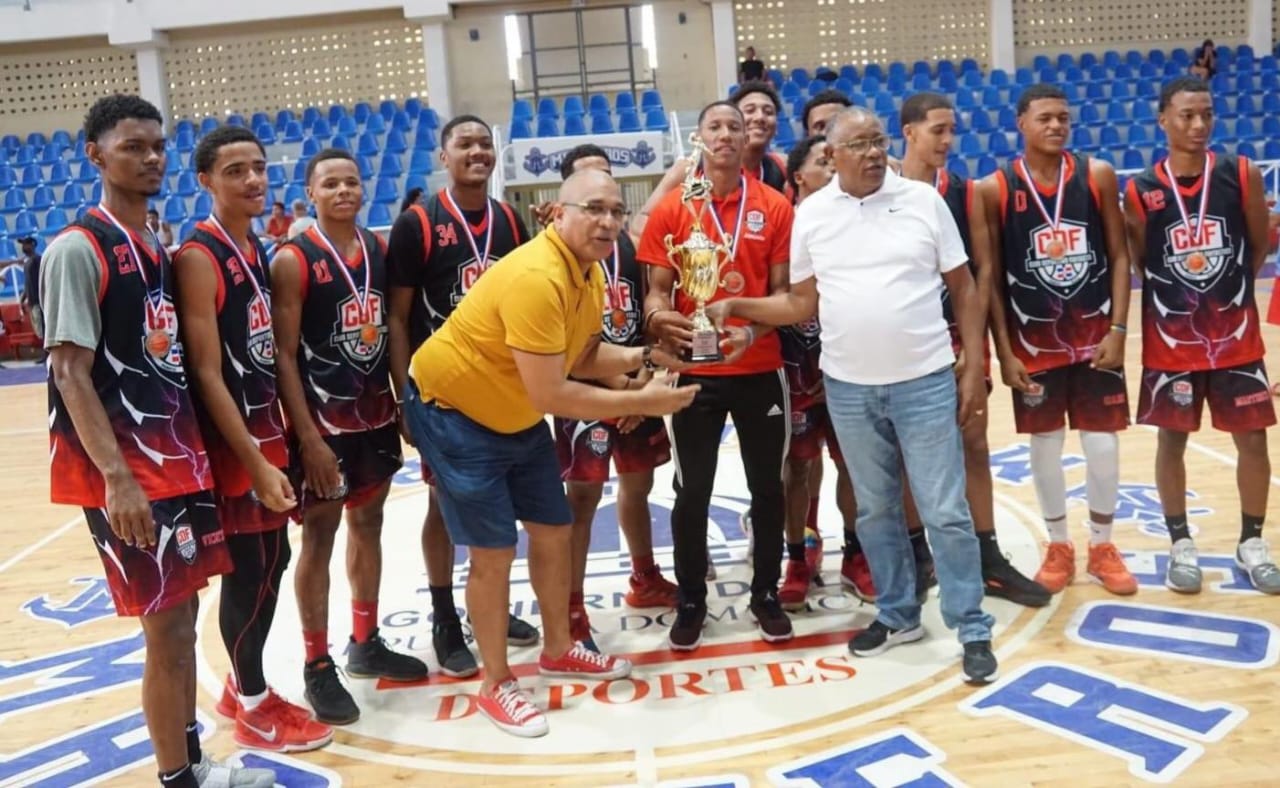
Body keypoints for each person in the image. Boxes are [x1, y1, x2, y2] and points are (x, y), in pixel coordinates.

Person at [708, 107, 999, 684]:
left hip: (925, 379)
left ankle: (971, 625)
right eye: (857, 145)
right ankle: (897, 614)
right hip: (848, 387)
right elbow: (800, 304)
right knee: (876, 509)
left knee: (943, 509)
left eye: (877, 141)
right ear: (831, 155)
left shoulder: (922, 201)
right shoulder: (811, 216)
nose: (871, 153)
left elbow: (963, 289)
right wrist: (740, 308)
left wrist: (971, 369)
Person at [401, 169, 697, 737]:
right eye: (593, 209)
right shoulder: (538, 276)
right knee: (493, 551)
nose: (608, 221)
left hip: (512, 410)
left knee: (554, 529)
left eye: (616, 210)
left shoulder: (584, 271)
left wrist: (643, 358)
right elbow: (551, 392)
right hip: (454, 412)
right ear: (558, 214)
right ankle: (496, 683)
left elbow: (581, 356)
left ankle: (559, 647)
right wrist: (648, 400)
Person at [41, 94, 273, 788]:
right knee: (166, 632)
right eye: (131, 147)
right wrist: (117, 479)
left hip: (176, 464)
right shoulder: (76, 249)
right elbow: (68, 372)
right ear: (95, 156)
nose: (149, 158)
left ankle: (194, 761)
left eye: (157, 146)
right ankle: (178, 778)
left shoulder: (152, 243)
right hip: (132, 475)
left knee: (182, 623)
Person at [175, 125, 334, 752]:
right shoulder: (199, 255)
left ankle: (241, 689)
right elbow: (207, 371)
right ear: (206, 180)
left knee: (273, 563)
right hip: (236, 449)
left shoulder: (257, 248)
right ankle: (252, 702)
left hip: (269, 435)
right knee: (251, 574)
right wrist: (251, 461)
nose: (252, 180)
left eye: (259, 167)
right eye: (235, 169)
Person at [271, 148, 428, 726]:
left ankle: (365, 641)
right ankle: (316, 663)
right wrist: (307, 438)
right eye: (330, 183)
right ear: (310, 193)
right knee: (319, 539)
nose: (344, 190)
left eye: (352, 181)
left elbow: (391, 331)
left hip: (375, 417)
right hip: (324, 427)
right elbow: (283, 356)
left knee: (371, 524)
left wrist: (403, 400)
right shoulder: (294, 259)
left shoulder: (379, 250)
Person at [386, 114, 538, 679]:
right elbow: (398, 319)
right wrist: (405, 397)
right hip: (445, 395)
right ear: (443, 156)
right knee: (440, 508)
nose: (476, 151)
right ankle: (446, 615)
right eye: (464, 143)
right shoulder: (418, 224)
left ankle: (487, 607)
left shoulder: (510, 221)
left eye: (484, 142)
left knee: (502, 506)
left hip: (503, 389)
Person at [640, 101, 796, 649]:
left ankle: (766, 594)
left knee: (767, 488)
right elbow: (657, 291)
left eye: (734, 126)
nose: (726, 134)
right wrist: (661, 318)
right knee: (692, 489)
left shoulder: (774, 206)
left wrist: (751, 328)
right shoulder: (672, 209)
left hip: (759, 366)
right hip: (693, 369)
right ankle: (690, 600)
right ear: (699, 138)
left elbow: (782, 294)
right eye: (715, 126)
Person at [1124, 76, 1280, 594]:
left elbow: (1258, 246)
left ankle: (1251, 542)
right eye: (1187, 115)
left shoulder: (1240, 173)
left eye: (1207, 115)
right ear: (1163, 119)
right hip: (1171, 341)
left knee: (1252, 439)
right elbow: (1144, 262)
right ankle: (1180, 543)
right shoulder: (1142, 188)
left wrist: (1223, 296)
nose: (1198, 125)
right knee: (1173, 440)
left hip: (1236, 336)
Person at [979, 84, 1136, 596]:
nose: (1056, 126)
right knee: (1044, 444)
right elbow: (993, 279)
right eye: (1045, 118)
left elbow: (1119, 256)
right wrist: (1004, 351)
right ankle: (1058, 544)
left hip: (1096, 338)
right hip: (1034, 341)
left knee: (1102, 444)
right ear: (1021, 123)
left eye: (1063, 118)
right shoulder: (995, 188)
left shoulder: (1096, 175)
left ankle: (1103, 545)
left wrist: (1118, 328)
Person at [897, 93, 1051, 608]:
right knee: (906, 456)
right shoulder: (883, 193)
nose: (946, 141)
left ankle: (989, 560)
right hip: (905, 344)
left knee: (975, 443)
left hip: (960, 338)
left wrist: (979, 344)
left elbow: (985, 272)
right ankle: (920, 557)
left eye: (951, 131)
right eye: (937, 130)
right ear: (909, 132)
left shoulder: (966, 193)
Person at [545, 144, 680, 649]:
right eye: (590, 192)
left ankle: (644, 577)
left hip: (634, 378)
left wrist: (644, 384)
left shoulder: (630, 242)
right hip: (584, 387)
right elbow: (562, 344)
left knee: (638, 485)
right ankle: (572, 607)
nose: (603, 207)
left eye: (608, 187)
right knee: (581, 498)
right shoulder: (556, 252)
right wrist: (622, 394)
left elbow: (650, 304)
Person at [774, 135, 851, 609]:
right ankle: (798, 557)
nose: (833, 167)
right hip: (795, 363)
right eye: (824, 162)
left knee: (853, 465)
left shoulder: (854, 217)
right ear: (799, 176)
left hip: (848, 362)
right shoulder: (779, 222)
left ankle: (859, 554)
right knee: (797, 468)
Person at [19, 235, 42, 339]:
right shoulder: (27, 262)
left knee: (42, 329)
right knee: (38, 330)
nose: (23, 246)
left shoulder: (37, 259)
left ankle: (47, 354)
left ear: (32, 245)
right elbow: (27, 283)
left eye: (25, 244)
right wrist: (22, 299)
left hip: (39, 301)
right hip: (32, 303)